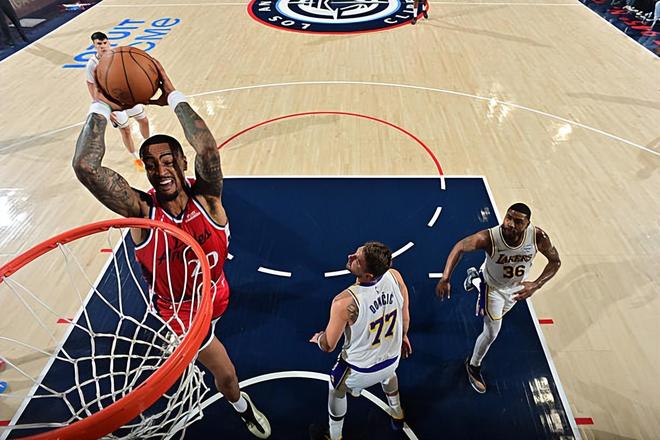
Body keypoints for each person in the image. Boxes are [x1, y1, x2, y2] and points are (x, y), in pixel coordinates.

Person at [72, 60, 271, 439]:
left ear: (183, 162)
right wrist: (101, 105)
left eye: (167, 161)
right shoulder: (141, 210)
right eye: (150, 165)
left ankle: (207, 342)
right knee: (227, 374)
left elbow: (208, 148)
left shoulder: (208, 199)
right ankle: (242, 407)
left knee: (216, 325)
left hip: (217, 293)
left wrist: (172, 95)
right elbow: (85, 166)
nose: (160, 170)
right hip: (180, 312)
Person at [435, 203, 561, 394]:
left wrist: (536, 284)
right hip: (492, 289)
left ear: (527, 224)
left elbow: (555, 261)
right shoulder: (489, 238)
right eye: (508, 217)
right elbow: (459, 247)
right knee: (492, 331)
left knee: (497, 318)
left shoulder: (537, 237)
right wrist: (445, 278)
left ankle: (474, 278)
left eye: (517, 221)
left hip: (515, 288)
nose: (510, 223)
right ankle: (473, 366)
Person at [309, 242, 412, 440]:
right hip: (392, 361)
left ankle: (335, 435)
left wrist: (319, 338)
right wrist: (404, 336)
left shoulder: (344, 303)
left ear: (368, 276)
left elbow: (328, 346)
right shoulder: (395, 277)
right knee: (389, 376)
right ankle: (398, 413)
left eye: (357, 260)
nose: (350, 257)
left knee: (336, 388)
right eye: (356, 253)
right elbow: (405, 315)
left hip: (359, 371)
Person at [85, 31, 150, 171]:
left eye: (105, 43)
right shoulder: (92, 64)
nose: (103, 46)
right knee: (125, 130)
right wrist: (103, 107)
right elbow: (91, 85)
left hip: (126, 96)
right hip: (110, 102)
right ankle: (136, 158)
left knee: (144, 120)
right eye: (99, 44)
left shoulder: (118, 56)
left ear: (109, 42)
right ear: (94, 46)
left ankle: (149, 145)